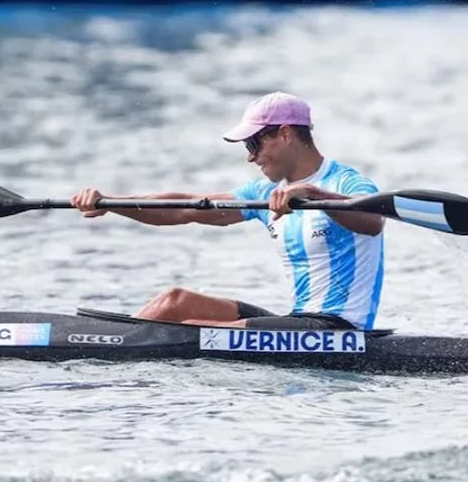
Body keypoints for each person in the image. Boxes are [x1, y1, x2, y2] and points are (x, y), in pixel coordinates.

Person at [69, 91, 386, 331]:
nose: (251, 157)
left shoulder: (347, 182)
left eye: (253, 145)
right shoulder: (264, 193)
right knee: (175, 302)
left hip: (338, 329)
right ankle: (115, 342)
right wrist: (111, 203)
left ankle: (113, 350)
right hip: (297, 323)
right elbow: (186, 208)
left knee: (194, 331)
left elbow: (373, 222)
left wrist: (312, 194)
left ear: (286, 134)